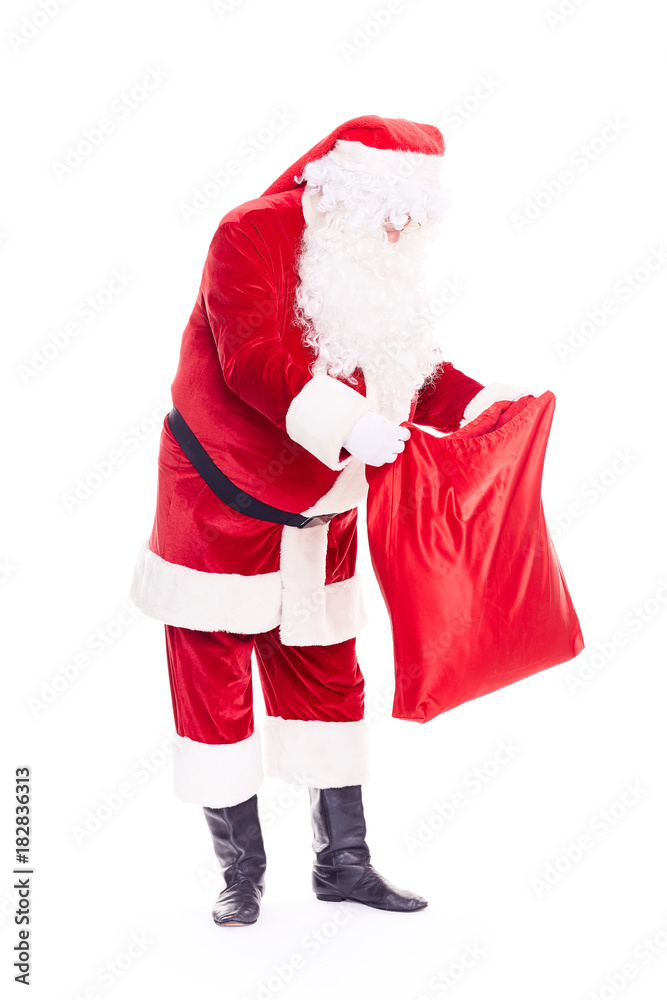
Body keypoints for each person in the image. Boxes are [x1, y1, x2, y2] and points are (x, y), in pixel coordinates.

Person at [130, 115, 529, 927]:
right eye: (393, 209)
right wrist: (346, 424)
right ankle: (241, 874)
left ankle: (343, 863)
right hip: (221, 505)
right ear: (348, 190)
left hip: (320, 510)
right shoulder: (251, 233)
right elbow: (248, 357)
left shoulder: (373, 254)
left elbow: (402, 367)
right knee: (214, 684)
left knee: (327, 677)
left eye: (417, 215)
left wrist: (475, 403)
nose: (404, 229)